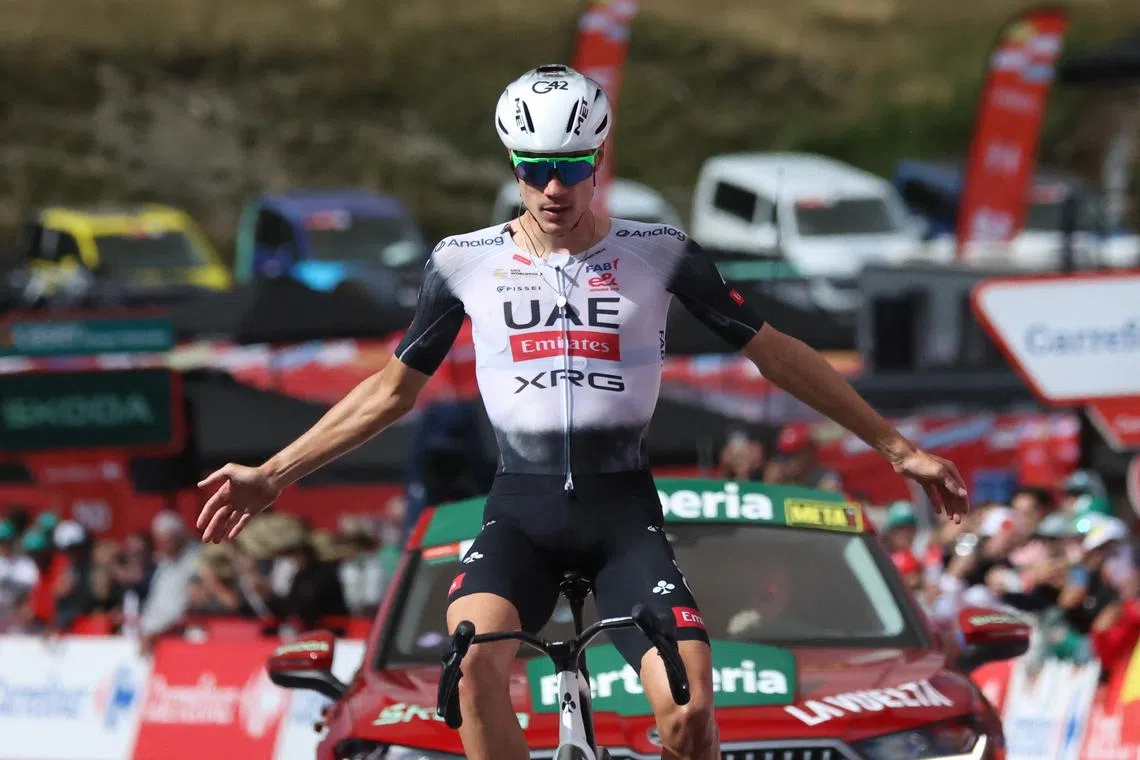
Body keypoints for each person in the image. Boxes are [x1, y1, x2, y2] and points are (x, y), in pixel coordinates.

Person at [195, 64, 970, 760]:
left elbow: (775, 350)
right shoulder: (464, 260)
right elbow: (393, 390)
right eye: (536, 171)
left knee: (691, 712)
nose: (554, 188)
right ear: (515, 167)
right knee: (470, 672)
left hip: (621, 518)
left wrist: (897, 448)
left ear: (597, 161)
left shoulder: (660, 249)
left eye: (571, 168)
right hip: (520, 517)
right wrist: (273, 472)